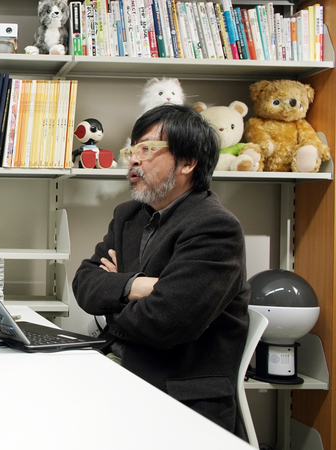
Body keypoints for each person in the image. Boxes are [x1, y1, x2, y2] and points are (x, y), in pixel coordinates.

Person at [72, 104, 249, 437]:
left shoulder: (215, 228)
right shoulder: (129, 215)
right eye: (132, 149)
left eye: (147, 149)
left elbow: (165, 322)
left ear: (187, 162)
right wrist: (136, 287)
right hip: (120, 378)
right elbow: (84, 283)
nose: (133, 160)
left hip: (177, 401)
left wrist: (111, 299)